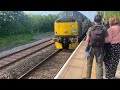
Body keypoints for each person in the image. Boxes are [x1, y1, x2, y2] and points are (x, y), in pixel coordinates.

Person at [85, 15, 108, 79]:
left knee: (89, 64)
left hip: (91, 48)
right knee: (99, 65)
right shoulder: (104, 29)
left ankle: (88, 77)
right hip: (100, 49)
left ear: (94, 21)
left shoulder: (91, 28)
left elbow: (87, 40)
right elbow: (106, 40)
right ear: (101, 21)